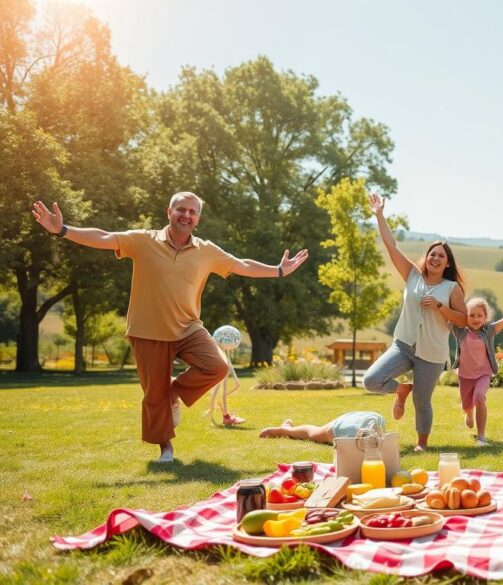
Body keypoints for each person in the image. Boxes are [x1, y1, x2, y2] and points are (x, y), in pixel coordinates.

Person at [31, 192, 309, 462]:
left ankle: (173, 393)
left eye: (192, 211)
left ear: (197, 219)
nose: (186, 215)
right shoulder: (143, 240)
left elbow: (241, 265)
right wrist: (62, 230)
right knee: (154, 396)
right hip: (147, 329)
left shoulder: (206, 251)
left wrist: (279, 270)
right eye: (180, 209)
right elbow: (104, 237)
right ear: (169, 212)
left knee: (217, 366)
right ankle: (166, 449)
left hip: (188, 327)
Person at [362, 193, 467, 452]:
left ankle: (422, 444)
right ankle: (401, 391)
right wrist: (379, 216)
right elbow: (391, 247)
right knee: (372, 380)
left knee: (423, 401)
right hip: (404, 344)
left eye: (441, 256)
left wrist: (440, 307)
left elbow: (464, 321)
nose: (435, 258)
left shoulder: (451, 288)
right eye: (432, 254)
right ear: (427, 256)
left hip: (431, 353)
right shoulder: (412, 275)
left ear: (447, 263)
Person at [451, 295, 503, 446]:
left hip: (483, 373)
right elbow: (446, 315)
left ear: (486, 317)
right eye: (472, 315)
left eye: (480, 315)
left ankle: (481, 437)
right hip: (465, 375)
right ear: (465, 316)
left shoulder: (489, 331)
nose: (476, 319)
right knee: (466, 405)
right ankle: (468, 412)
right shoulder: (460, 331)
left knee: (479, 396)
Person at [259, 411, 385, 445]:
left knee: (315, 432)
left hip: (364, 417)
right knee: (313, 433)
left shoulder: (378, 426)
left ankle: (286, 429)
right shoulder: (347, 433)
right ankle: (285, 429)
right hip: (343, 427)